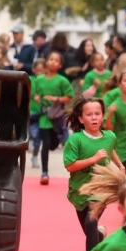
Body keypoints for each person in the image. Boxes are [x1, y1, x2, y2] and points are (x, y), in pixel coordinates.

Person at [64, 98, 122, 251]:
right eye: (89, 114)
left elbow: (110, 149)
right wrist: (93, 159)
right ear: (81, 119)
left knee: (90, 223)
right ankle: (99, 236)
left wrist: (120, 166)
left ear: (103, 116)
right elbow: (70, 166)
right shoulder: (76, 140)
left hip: (102, 189)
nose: (94, 117)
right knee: (90, 231)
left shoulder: (110, 136)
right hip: (79, 190)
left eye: (98, 113)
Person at [33, 51, 74, 185]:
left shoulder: (62, 81)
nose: (53, 62)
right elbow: (35, 95)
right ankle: (44, 173)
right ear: (46, 61)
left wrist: (56, 99)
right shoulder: (39, 80)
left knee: (53, 144)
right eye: (51, 59)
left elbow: (69, 97)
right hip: (45, 117)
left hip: (57, 117)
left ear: (60, 65)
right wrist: (37, 98)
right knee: (45, 144)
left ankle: (58, 140)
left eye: (56, 61)